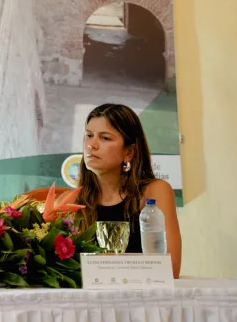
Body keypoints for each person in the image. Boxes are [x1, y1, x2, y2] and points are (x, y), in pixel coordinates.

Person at [76, 103, 182, 278]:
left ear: (129, 152)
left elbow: (170, 268)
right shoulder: (69, 201)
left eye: (105, 138)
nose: (91, 145)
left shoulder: (154, 192)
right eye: (88, 135)